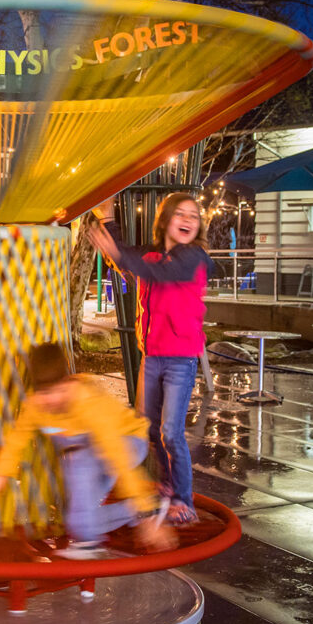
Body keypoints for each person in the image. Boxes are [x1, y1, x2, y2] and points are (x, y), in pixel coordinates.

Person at [89, 193, 213, 526]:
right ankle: (167, 485)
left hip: (180, 359)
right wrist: (106, 217)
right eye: (180, 214)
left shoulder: (195, 259)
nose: (188, 220)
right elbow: (126, 257)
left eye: (193, 215)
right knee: (151, 429)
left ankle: (183, 501)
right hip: (152, 356)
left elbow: (153, 271)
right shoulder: (152, 254)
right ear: (166, 220)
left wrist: (119, 255)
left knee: (172, 432)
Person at [0, 343, 175, 559]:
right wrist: (0, 473)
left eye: (59, 391)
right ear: (37, 392)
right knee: (77, 516)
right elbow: (16, 440)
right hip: (89, 451)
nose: (53, 400)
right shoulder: (36, 406)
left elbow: (116, 456)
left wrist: (143, 508)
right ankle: (146, 509)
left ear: (67, 382)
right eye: (45, 393)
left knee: (79, 464)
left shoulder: (89, 404)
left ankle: (90, 542)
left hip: (128, 441)